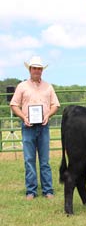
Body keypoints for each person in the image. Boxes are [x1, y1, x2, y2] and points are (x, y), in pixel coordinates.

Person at [10, 56, 60, 200]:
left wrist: (48, 116)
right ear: (30, 69)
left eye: (39, 68)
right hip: (28, 126)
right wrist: (24, 117)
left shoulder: (48, 87)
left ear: (42, 70)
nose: (37, 71)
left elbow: (55, 105)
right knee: (29, 159)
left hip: (43, 126)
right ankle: (31, 191)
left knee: (45, 160)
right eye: (34, 68)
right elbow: (14, 105)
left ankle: (48, 190)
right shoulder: (22, 86)